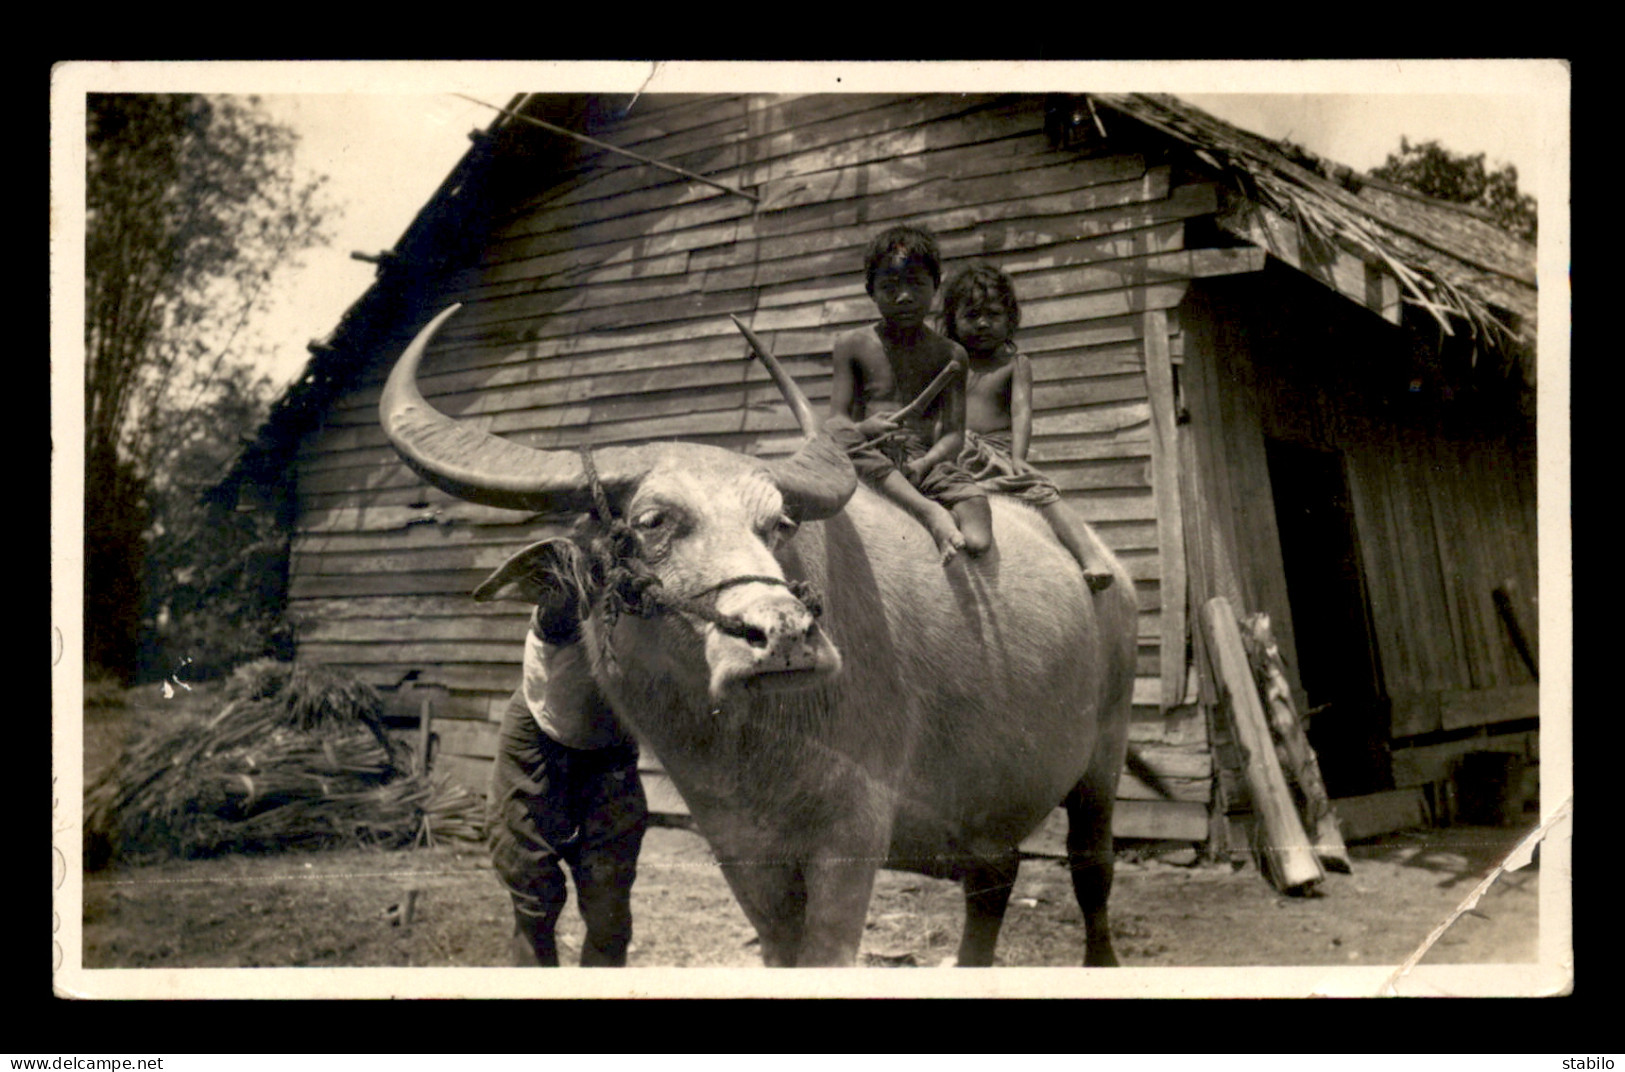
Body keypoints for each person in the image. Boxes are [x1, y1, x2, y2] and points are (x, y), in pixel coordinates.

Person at [486, 540, 648, 967]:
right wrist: (584, 572)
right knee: (532, 898)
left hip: (610, 750)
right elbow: (559, 596)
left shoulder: (652, 587)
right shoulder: (565, 586)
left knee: (609, 911)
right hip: (538, 738)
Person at [939, 262, 1116, 594]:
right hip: (954, 451)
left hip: (996, 452)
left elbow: (1021, 411)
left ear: (1010, 320)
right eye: (972, 315)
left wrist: (1018, 456)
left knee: (1041, 493)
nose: (982, 323)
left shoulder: (1014, 365)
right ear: (953, 321)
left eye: (993, 314)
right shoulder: (948, 363)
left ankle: (1090, 556)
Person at [827, 224, 993, 563]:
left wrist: (925, 463)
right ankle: (929, 512)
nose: (904, 296)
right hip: (870, 451)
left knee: (978, 537)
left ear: (936, 286)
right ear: (870, 291)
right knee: (837, 439)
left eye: (916, 284)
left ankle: (931, 502)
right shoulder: (852, 345)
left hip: (925, 461)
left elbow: (952, 436)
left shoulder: (950, 355)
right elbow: (838, 420)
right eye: (889, 287)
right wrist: (864, 429)